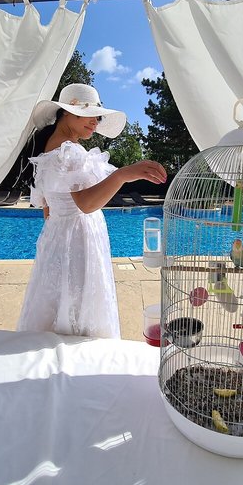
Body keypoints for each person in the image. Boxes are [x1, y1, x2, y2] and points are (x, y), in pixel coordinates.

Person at [16, 84, 167, 338]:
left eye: (98, 117)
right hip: (79, 240)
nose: (96, 121)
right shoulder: (70, 152)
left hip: (57, 238)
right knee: (80, 308)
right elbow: (86, 205)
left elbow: (47, 210)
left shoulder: (48, 151)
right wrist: (123, 175)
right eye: (90, 114)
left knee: (57, 302)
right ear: (67, 112)